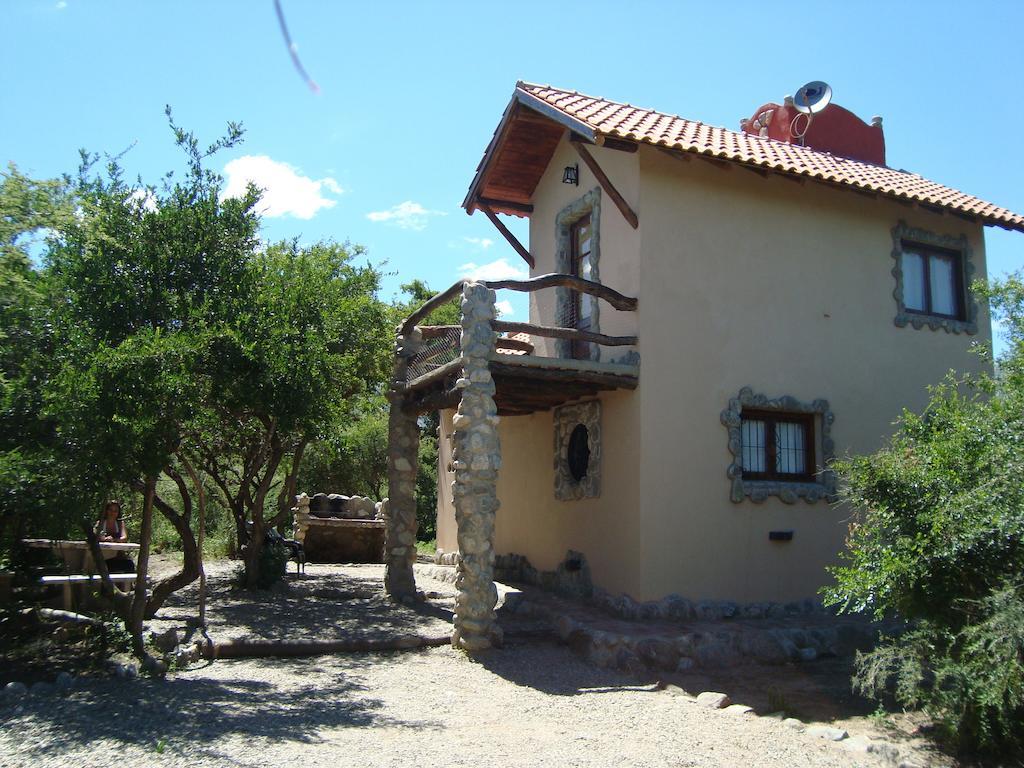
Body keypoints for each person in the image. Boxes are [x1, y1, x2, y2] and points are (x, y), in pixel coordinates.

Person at [95, 500, 134, 574]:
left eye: (115, 511)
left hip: (117, 557)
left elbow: (124, 538)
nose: (112, 513)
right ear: (106, 511)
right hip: (101, 558)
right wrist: (103, 539)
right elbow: (96, 536)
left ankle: (129, 585)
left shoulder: (120, 524)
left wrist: (114, 540)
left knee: (129, 564)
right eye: (110, 510)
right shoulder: (100, 523)